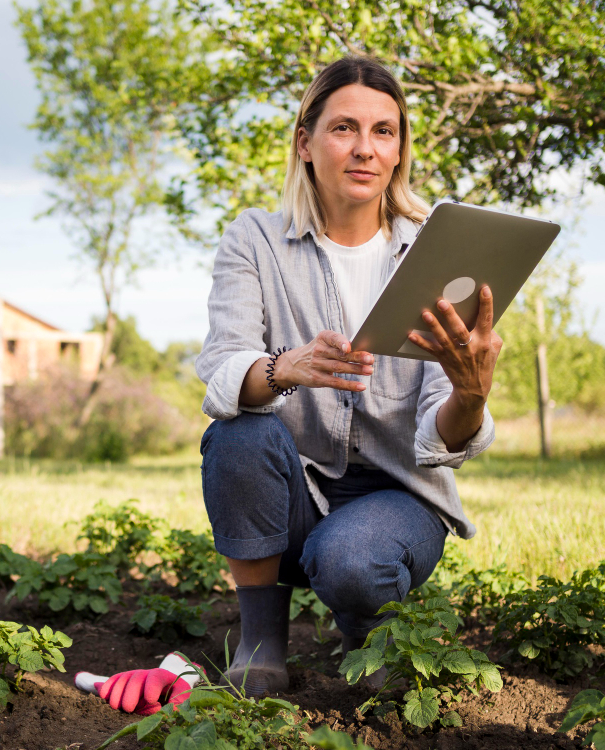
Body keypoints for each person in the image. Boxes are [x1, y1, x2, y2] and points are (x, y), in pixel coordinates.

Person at [195, 55, 503, 697]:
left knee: (352, 559)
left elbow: (443, 437)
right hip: (295, 490)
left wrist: (471, 395)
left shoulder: (438, 252)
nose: (365, 149)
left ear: (399, 151)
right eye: (344, 129)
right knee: (237, 433)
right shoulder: (255, 239)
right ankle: (261, 641)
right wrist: (284, 368)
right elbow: (224, 369)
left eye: (383, 132)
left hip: (398, 496)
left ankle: (370, 634)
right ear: (306, 144)